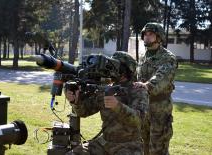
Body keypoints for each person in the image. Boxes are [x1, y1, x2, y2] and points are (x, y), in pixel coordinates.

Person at [65, 51, 149, 155]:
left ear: (126, 70)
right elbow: (84, 112)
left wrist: (117, 106)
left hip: (129, 145)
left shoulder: (138, 90)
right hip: (104, 143)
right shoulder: (107, 89)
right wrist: (75, 101)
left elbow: (138, 121)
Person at [133, 22, 177, 155]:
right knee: (143, 145)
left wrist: (147, 85)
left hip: (160, 110)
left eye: (150, 34)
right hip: (143, 107)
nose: (147, 37)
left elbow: (161, 77)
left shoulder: (168, 58)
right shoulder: (143, 56)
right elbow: (136, 77)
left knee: (158, 148)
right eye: (145, 34)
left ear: (159, 37)